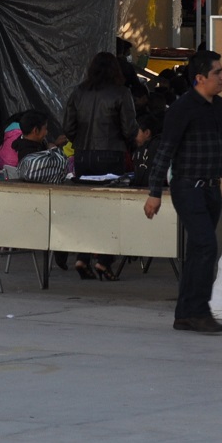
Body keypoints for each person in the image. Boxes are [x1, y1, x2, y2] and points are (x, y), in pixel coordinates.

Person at [144, 50, 222, 334]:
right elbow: (164, 151)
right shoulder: (182, 108)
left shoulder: (218, 105)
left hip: (211, 187)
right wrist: (154, 192)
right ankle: (198, 310)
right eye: (217, 73)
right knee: (206, 245)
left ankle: (184, 313)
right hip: (187, 186)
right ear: (200, 78)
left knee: (198, 249)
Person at [63, 52, 148, 280]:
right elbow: (130, 129)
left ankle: (82, 258)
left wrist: (80, 142)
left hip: (83, 156)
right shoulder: (121, 93)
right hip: (112, 155)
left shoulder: (78, 92)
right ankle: (104, 261)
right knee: (112, 210)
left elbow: (68, 127)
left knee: (87, 208)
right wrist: (136, 140)